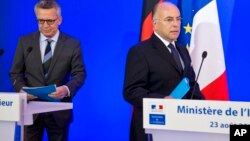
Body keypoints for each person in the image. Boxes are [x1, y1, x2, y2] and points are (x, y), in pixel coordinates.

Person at [123, 2, 205, 141]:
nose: (176, 24)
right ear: (155, 24)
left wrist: (206, 108)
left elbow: (190, 85)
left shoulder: (182, 51)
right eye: (169, 19)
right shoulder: (140, 52)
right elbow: (131, 91)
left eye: (178, 19)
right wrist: (162, 101)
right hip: (151, 129)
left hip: (181, 129)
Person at [9, 0, 86, 141]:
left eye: (50, 21)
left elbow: (79, 74)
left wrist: (66, 89)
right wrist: (21, 89)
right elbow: (15, 73)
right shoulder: (25, 42)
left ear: (59, 20)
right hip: (30, 109)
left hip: (58, 110)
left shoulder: (72, 44)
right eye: (40, 21)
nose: (45, 26)